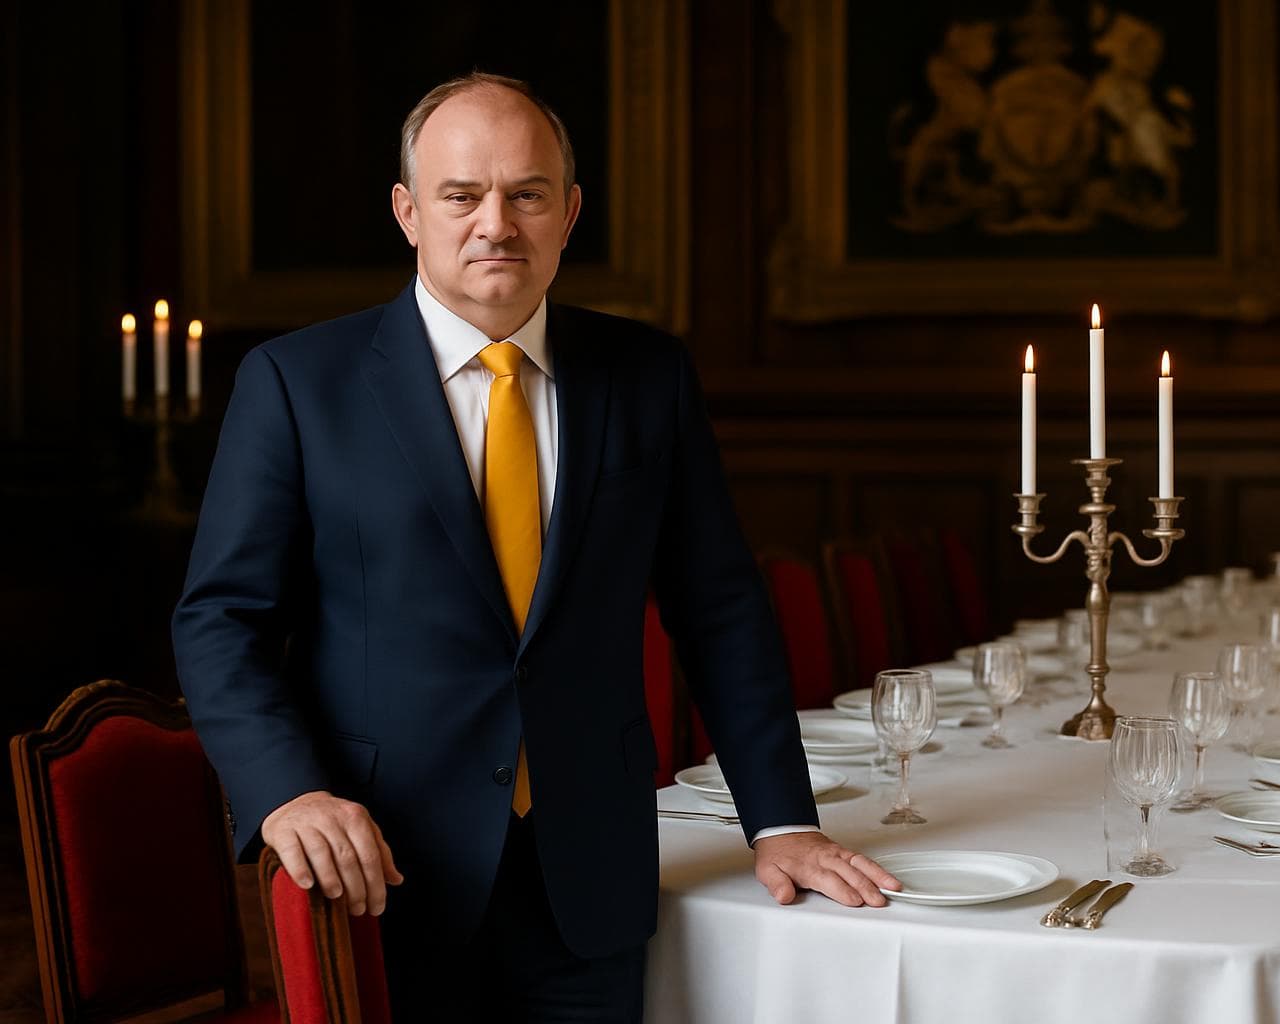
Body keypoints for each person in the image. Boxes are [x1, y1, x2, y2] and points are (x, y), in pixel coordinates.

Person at [171, 73, 897, 1021]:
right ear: (407, 212)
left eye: (527, 194)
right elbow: (221, 620)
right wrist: (287, 794)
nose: (495, 224)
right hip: (377, 869)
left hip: (588, 873)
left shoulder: (648, 376)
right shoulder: (298, 383)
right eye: (461, 195)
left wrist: (782, 819)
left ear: (570, 212)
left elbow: (720, 609)